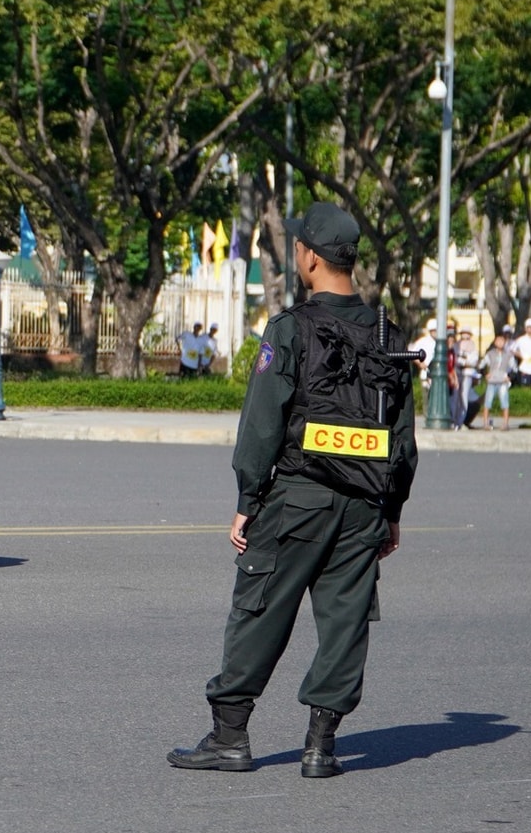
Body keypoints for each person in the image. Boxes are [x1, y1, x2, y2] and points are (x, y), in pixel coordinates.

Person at [168, 203, 416, 779]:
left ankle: (230, 737)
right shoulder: (388, 336)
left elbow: (261, 424)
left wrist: (247, 501)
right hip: (365, 507)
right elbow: (402, 438)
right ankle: (320, 746)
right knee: (345, 620)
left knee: (259, 609)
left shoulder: (290, 329)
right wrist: (393, 510)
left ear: (307, 258)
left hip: (299, 496)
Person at [478, 329, 515, 430]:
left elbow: (514, 368)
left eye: (502, 341)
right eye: (498, 341)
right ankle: (485, 423)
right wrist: (485, 374)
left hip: (503, 381)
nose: (500, 343)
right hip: (492, 381)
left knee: (504, 402)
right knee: (488, 402)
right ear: (495, 342)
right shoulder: (490, 354)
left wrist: (509, 377)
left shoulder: (508, 355)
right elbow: (481, 365)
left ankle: (505, 423)